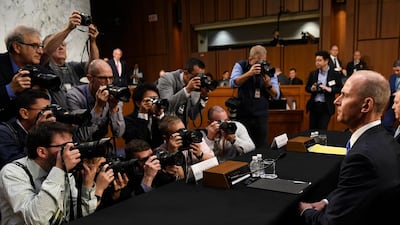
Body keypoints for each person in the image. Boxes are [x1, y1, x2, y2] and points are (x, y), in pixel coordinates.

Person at [299, 70, 400, 225]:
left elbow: (331, 223)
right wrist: (326, 201)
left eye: (345, 95)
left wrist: (304, 210)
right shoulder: (386, 139)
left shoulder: (361, 157)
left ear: (366, 105)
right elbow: (358, 190)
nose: (336, 101)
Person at [0, 121, 99, 224]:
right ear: (42, 152)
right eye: (65, 147)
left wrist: (87, 186)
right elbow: (36, 219)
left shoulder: (62, 170)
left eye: (73, 146)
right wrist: (58, 170)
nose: (71, 152)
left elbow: (77, 216)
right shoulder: (11, 173)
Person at [229, 45, 280, 149]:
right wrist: (249, 73)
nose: (260, 65)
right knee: (244, 146)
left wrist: (268, 84)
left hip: (261, 115)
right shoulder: (241, 65)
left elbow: (276, 95)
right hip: (243, 115)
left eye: (263, 61)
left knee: (262, 146)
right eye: (257, 62)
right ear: (250, 60)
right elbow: (233, 83)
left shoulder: (268, 70)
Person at [66, 59, 125, 142]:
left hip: (102, 146)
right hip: (81, 149)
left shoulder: (113, 94)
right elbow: (81, 136)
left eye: (111, 78)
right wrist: (98, 107)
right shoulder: (75, 95)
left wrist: (114, 109)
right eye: (103, 78)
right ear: (90, 78)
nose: (108, 82)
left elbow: (119, 133)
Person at [42, 10, 100, 91]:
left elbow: (94, 65)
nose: (61, 47)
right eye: (57, 45)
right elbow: (46, 51)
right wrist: (69, 28)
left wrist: (93, 41)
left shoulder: (72, 67)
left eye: (63, 44)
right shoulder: (44, 67)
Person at [0, 89, 56, 169]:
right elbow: (15, 166)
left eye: (50, 110)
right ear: (24, 113)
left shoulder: (49, 129)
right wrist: (37, 132)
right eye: (44, 110)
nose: (48, 114)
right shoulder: (3, 133)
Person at [0, 25, 44, 122]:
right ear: (17, 47)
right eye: (34, 46)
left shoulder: (39, 68)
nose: (41, 51)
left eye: (41, 46)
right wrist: (10, 89)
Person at [155, 115, 214, 180]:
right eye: (179, 133)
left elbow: (214, 162)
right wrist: (173, 153)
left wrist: (200, 155)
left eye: (184, 130)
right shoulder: (161, 153)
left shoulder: (193, 139)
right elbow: (181, 177)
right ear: (166, 138)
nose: (184, 134)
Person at [157, 57, 211, 127]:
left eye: (201, 76)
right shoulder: (167, 79)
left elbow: (193, 115)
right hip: (166, 127)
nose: (199, 79)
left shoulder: (196, 85)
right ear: (185, 73)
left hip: (183, 128)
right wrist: (187, 90)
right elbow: (166, 105)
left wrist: (203, 98)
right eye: (197, 76)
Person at [305, 50, 342, 130]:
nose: (317, 63)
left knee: (322, 129)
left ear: (326, 61)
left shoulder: (334, 74)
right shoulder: (313, 73)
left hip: (326, 106)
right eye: (316, 61)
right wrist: (312, 88)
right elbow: (307, 88)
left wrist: (329, 89)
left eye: (319, 60)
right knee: (312, 129)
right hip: (314, 105)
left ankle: (321, 143)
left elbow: (340, 88)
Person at [123, 82, 164, 149]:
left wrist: (160, 117)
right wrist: (143, 114)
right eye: (151, 99)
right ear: (138, 103)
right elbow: (138, 142)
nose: (154, 103)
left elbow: (163, 140)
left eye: (156, 99)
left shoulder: (157, 118)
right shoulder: (128, 120)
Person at [382, 59, 400, 135]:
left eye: (398, 70)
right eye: (394, 71)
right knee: (385, 123)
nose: (396, 73)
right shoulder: (392, 77)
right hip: (393, 103)